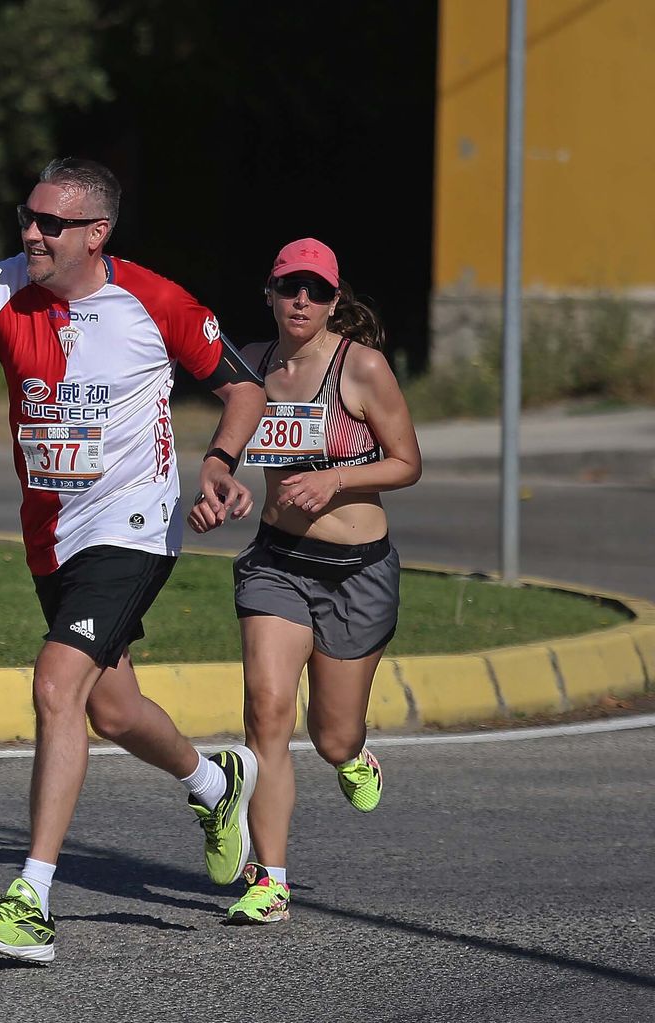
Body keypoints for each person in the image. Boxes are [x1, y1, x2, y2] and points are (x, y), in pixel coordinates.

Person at [0, 159, 267, 963]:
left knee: (55, 683)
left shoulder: (154, 301)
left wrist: (219, 465)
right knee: (111, 707)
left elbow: (243, 390)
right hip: (51, 533)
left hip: (133, 524)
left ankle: (30, 898)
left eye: (51, 224)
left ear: (97, 234)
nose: (31, 232)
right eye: (27, 217)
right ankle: (216, 783)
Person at [198, 238, 420, 925]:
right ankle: (271, 879)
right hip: (278, 564)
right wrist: (222, 485)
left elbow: (408, 461)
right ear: (269, 291)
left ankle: (353, 755)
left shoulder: (363, 368)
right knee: (265, 710)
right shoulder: (252, 365)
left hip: (357, 572)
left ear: (333, 300)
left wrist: (338, 476)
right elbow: (231, 446)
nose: (301, 300)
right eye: (289, 287)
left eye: (316, 291)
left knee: (330, 735)